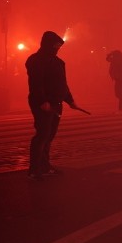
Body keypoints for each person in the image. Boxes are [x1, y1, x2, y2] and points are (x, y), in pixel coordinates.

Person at [25, 31, 79, 180]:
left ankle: (44, 166)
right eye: (55, 46)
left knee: (49, 136)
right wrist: (43, 101)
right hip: (43, 104)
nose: (57, 49)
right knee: (42, 135)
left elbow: (62, 84)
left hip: (56, 103)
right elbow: (36, 83)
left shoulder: (58, 62)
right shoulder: (36, 60)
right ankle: (34, 169)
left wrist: (70, 100)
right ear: (48, 44)